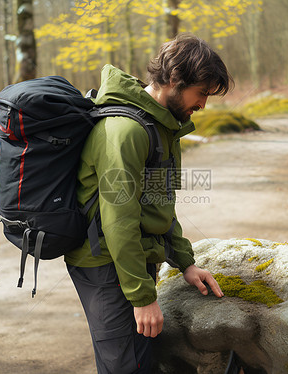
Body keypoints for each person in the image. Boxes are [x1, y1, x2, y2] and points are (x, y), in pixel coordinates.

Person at [64, 33, 233, 373]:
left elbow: (159, 204)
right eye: (201, 93)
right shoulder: (126, 131)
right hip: (104, 262)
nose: (203, 104)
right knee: (125, 367)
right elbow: (118, 220)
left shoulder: (163, 128)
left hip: (132, 259)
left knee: (144, 359)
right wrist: (142, 298)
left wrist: (185, 262)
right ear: (174, 79)